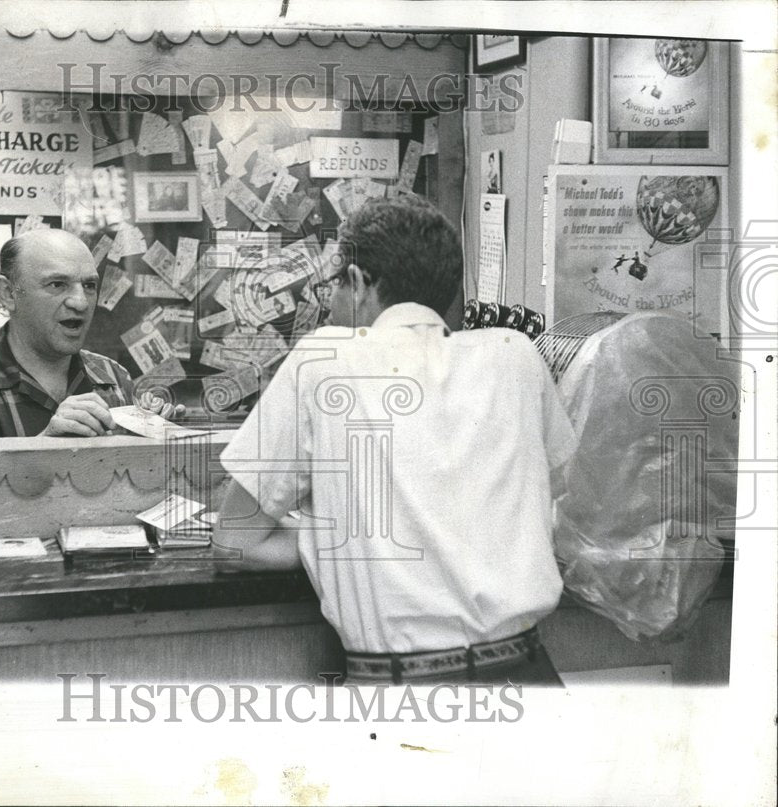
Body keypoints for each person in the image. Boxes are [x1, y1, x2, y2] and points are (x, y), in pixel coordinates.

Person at [213, 196, 578, 686]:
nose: (332, 309)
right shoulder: (516, 356)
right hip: (531, 678)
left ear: (360, 283)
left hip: (405, 696)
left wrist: (340, 537)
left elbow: (234, 542)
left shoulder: (323, 360)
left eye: (335, 287)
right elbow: (563, 499)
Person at [0, 228, 184, 439]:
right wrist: (44, 447)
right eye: (57, 284)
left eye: (89, 285)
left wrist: (152, 444)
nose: (80, 302)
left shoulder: (114, 378)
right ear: (8, 294)